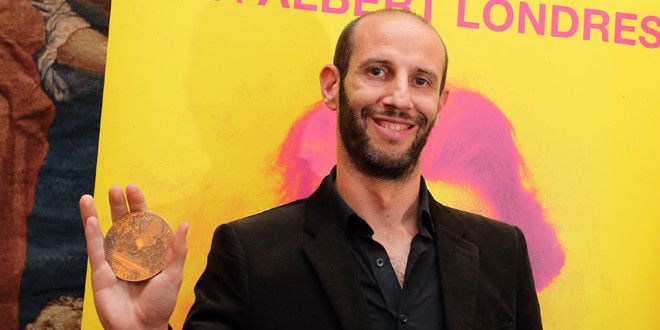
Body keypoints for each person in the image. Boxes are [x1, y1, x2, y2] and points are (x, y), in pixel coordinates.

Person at [79, 9, 542, 330]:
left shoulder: (502, 253)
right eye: (378, 71)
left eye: (420, 81)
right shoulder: (248, 254)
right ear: (332, 87)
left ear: (439, 104)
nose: (400, 98)